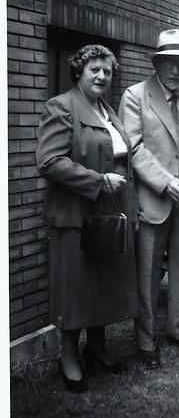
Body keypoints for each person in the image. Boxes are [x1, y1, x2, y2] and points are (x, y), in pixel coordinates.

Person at [36, 45, 138, 392]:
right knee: (75, 290)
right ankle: (68, 356)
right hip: (76, 218)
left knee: (102, 284)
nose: (101, 76)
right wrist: (97, 181)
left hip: (109, 215)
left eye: (107, 71)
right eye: (94, 69)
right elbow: (49, 161)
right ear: (78, 71)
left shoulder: (107, 111)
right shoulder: (62, 107)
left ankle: (96, 348)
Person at [119, 28, 179, 369]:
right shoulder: (134, 96)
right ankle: (145, 343)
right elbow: (133, 147)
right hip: (154, 198)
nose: (177, 71)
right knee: (146, 272)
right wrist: (164, 182)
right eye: (170, 63)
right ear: (157, 63)